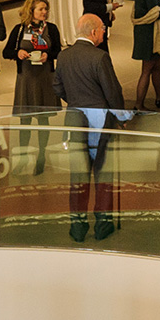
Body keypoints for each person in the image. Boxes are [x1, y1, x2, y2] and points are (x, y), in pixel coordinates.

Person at [53, 14, 130, 243]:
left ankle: (77, 225)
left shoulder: (63, 56)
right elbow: (112, 93)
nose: (104, 32)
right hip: (100, 122)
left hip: (75, 120)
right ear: (94, 32)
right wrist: (122, 117)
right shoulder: (100, 58)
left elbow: (58, 88)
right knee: (103, 173)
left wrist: (76, 101)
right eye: (103, 29)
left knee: (78, 176)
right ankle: (103, 223)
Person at [3, 0, 62, 174]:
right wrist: (18, 52)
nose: (44, 12)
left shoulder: (51, 29)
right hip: (27, 78)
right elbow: (6, 51)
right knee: (25, 120)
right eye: (40, 9)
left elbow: (58, 50)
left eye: (46, 9)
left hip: (44, 77)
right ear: (31, 11)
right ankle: (22, 156)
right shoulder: (19, 29)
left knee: (43, 119)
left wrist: (48, 56)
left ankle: (41, 156)